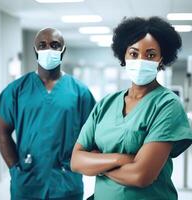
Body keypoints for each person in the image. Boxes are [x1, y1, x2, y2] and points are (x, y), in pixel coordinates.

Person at [71, 17, 192, 200]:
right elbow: (76, 161)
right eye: (134, 54)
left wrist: (99, 165)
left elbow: (141, 176)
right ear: (124, 56)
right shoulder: (106, 103)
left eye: (150, 55)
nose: (141, 60)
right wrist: (121, 159)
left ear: (161, 59)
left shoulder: (167, 105)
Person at [0, 28, 95, 200]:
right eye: (42, 45)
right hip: (27, 183)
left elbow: (93, 136)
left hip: (67, 183)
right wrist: (15, 169)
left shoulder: (80, 92)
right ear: (35, 50)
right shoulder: (17, 89)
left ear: (63, 51)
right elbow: (2, 131)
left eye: (55, 45)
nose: (48, 49)